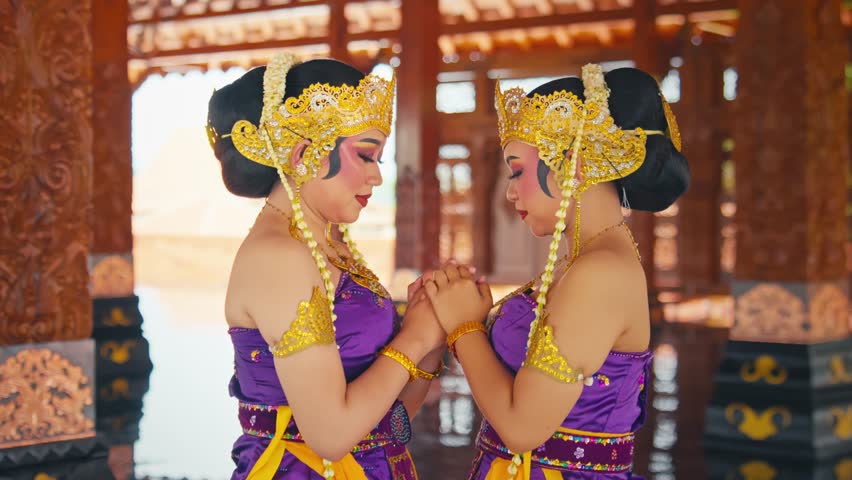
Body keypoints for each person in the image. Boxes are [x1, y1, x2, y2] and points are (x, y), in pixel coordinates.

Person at [423, 64, 690, 479]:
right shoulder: (580, 260)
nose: (511, 190)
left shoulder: (600, 273)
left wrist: (464, 328)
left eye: (517, 171)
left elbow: (521, 429)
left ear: (574, 162)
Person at [206, 53, 446, 480]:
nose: (376, 177)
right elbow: (332, 435)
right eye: (366, 156)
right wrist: (414, 337)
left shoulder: (331, 246)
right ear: (303, 152)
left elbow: (386, 421)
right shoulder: (279, 256)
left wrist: (433, 338)